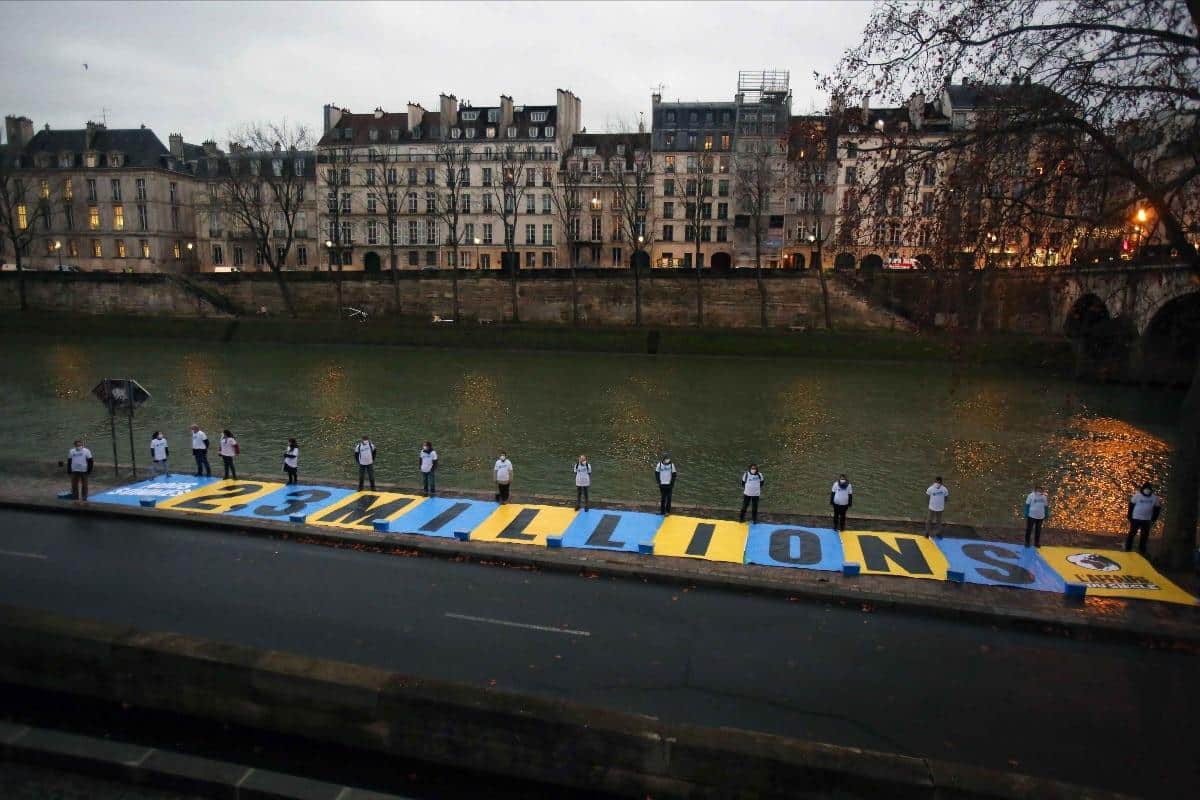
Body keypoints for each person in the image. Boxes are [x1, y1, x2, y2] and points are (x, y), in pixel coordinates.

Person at [1125, 482, 1162, 554]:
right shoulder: (1137, 496)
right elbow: (1131, 506)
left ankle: (1142, 549)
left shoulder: (1155, 498)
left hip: (1147, 519)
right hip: (1136, 518)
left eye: (1149, 489)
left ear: (1151, 490)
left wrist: (1154, 518)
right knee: (1132, 533)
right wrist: (1129, 516)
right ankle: (1128, 548)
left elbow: (1157, 509)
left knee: (1144, 535)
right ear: (1143, 489)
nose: (1147, 490)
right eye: (1146, 489)